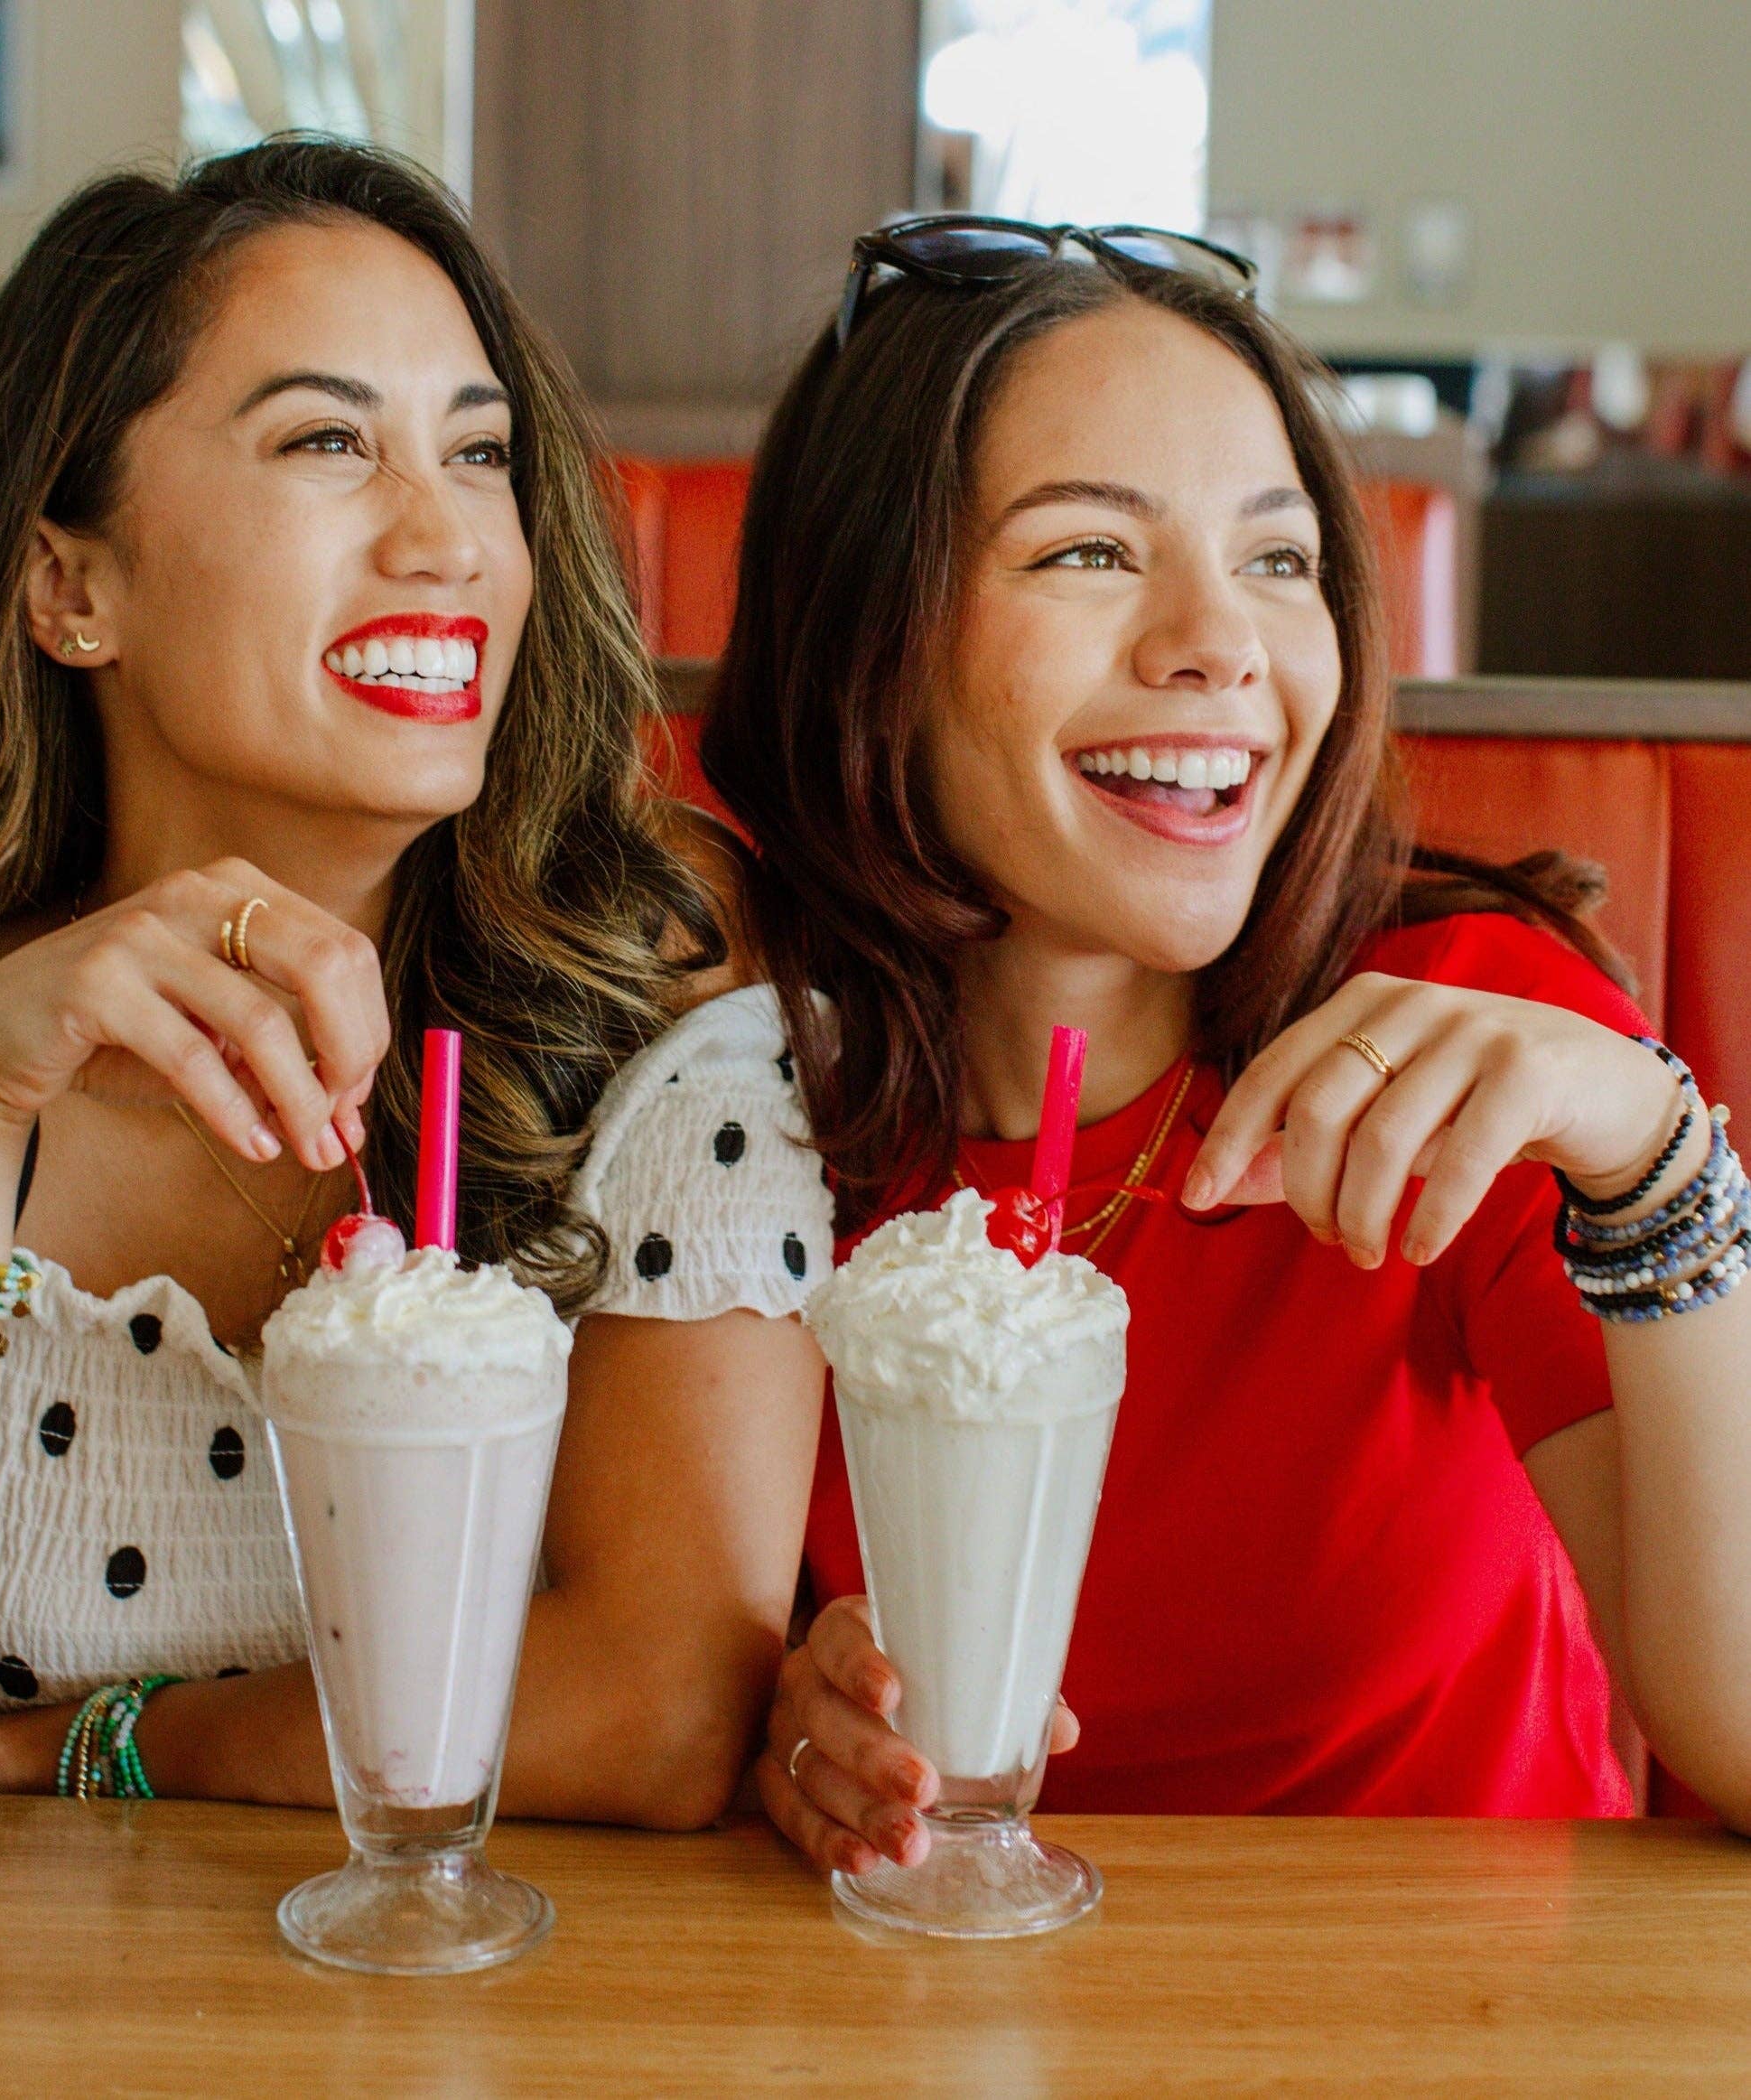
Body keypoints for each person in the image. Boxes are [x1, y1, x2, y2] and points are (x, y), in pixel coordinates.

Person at [0, 139, 828, 1881]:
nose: (447, 538)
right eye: (327, 442)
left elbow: (658, 1706)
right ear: (73, 586)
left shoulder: (655, 969)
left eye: (481, 453)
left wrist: (102, 1741)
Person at [702, 219, 1751, 1874]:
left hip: (1460, 2019)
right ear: (868, 637)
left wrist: (1650, 1151)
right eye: (1087, 555)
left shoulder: (1463, 1039)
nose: (1223, 642)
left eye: (1277, 559)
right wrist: (789, 1733)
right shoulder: (730, 1105)